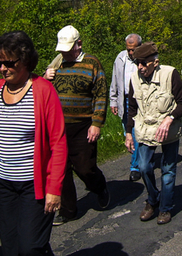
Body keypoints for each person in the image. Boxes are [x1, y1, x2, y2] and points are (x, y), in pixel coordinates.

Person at [0, 31, 67, 256]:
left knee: (30, 248)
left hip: (32, 184)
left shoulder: (43, 90)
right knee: (10, 248)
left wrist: (54, 189)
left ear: (26, 60)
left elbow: (58, 142)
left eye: (9, 62)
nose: (2, 68)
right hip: (1, 181)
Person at [44, 25, 109, 226]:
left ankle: (99, 187)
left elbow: (100, 94)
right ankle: (68, 210)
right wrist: (45, 78)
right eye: (62, 49)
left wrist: (96, 123)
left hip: (83, 126)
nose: (64, 52)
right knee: (61, 170)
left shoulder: (92, 63)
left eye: (68, 48)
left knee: (85, 168)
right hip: (58, 127)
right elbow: (41, 91)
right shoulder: (56, 64)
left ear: (79, 44)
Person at [125, 42, 182, 225]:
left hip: (168, 128)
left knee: (168, 170)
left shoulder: (170, 74)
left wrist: (170, 118)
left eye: (144, 63)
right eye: (137, 62)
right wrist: (128, 133)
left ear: (155, 62)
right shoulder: (134, 78)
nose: (140, 67)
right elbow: (132, 108)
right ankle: (153, 199)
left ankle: (165, 208)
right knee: (144, 167)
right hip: (145, 128)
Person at [109, 33, 142, 181]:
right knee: (128, 133)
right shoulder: (120, 58)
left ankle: (135, 166)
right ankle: (141, 158)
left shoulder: (144, 58)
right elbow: (115, 79)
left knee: (135, 133)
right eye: (128, 49)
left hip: (140, 101)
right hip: (125, 100)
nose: (130, 52)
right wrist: (113, 100)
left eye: (133, 49)